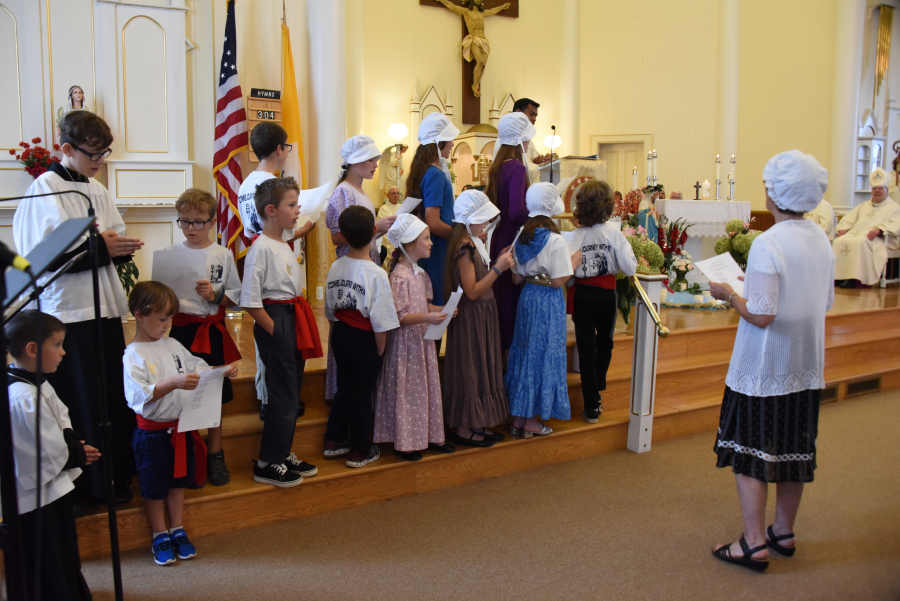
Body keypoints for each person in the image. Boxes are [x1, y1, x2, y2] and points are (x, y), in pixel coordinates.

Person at [708, 150, 833, 572]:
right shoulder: (820, 239)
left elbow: (761, 314)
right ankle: (783, 530)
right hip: (806, 363)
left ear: (775, 193)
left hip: (764, 369)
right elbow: (823, 300)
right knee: (794, 451)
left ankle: (754, 542)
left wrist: (729, 293)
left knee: (753, 454)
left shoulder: (768, 242)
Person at [14, 111, 143, 504]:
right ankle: (86, 487)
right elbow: (41, 258)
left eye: (105, 153)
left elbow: (110, 239)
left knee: (110, 394)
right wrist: (100, 248)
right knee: (81, 398)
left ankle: (117, 476)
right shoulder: (45, 190)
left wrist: (118, 250)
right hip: (67, 313)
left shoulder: (96, 188)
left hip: (102, 307)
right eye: (94, 153)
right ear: (66, 148)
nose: (100, 161)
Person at [124, 282, 239, 565]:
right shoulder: (133, 354)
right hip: (151, 435)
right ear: (139, 314)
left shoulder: (174, 344)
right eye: (161, 319)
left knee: (178, 484)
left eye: (170, 319)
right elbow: (137, 396)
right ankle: (159, 535)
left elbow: (196, 368)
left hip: (180, 428)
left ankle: (177, 528)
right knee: (154, 488)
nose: (167, 325)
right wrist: (173, 382)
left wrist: (219, 371)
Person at [6, 310, 98, 599]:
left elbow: (61, 417)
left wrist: (71, 441)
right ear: (32, 349)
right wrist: (76, 454)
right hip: (35, 498)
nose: (63, 352)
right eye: (57, 344)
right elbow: (41, 450)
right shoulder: (22, 397)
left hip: (52, 491)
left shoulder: (37, 381)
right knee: (47, 556)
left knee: (63, 549)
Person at [241, 177, 322, 488]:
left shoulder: (284, 242)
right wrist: (277, 331)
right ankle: (266, 462)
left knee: (292, 393)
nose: (297, 209)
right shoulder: (260, 249)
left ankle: (282, 451)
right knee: (282, 397)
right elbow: (250, 301)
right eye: (291, 204)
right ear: (271, 210)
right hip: (276, 319)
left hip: (292, 316)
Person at [161, 189, 242, 487]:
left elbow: (237, 297)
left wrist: (215, 295)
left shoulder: (222, 254)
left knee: (214, 393)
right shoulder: (170, 255)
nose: (190, 228)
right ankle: (187, 448)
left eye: (197, 222)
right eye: (184, 222)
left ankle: (215, 451)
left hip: (212, 331)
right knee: (185, 390)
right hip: (181, 332)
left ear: (211, 222)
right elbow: (159, 298)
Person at [237, 123, 316, 418]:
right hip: (271, 264)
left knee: (271, 354)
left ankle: (276, 399)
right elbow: (270, 233)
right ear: (279, 148)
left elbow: (254, 229)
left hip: (265, 252)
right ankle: (271, 402)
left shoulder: (247, 183)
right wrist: (302, 230)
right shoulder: (270, 184)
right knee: (272, 352)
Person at [323, 206, 400, 468]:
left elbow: (328, 307)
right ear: (375, 232)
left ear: (342, 235)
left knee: (344, 387)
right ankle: (359, 449)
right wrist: (380, 350)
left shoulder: (336, 265)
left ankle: (334, 439)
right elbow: (382, 320)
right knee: (361, 394)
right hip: (365, 338)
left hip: (341, 334)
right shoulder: (376, 273)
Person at [374, 214, 456, 460]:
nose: (431, 243)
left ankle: (427, 435)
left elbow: (425, 305)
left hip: (421, 341)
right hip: (406, 345)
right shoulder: (400, 276)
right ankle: (406, 440)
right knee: (408, 390)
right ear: (409, 244)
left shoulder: (420, 274)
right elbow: (399, 316)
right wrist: (427, 318)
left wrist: (442, 311)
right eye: (427, 238)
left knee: (424, 387)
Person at [324, 135, 396, 404]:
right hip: (353, 267)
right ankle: (343, 391)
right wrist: (376, 228)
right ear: (354, 163)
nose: (376, 163)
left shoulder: (360, 191)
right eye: (370, 159)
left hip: (366, 260)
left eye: (376, 158)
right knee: (353, 324)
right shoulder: (343, 192)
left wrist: (378, 228)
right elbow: (338, 235)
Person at [506, 183, 579, 438]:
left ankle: (518, 416)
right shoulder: (556, 240)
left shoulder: (521, 235)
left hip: (527, 298)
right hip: (548, 301)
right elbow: (559, 281)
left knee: (526, 353)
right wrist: (574, 261)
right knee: (544, 354)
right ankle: (532, 420)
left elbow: (516, 278)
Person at [443, 191, 514, 447]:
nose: (485, 225)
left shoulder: (473, 241)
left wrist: (497, 261)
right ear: (469, 219)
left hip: (482, 316)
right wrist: (499, 269)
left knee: (481, 365)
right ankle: (464, 428)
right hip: (472, 317)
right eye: (482, 220)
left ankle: (476, 422)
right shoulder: (464, 247)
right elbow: (472, 291)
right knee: (470, 369)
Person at [571, 180, 637, 423]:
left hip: (583, 295)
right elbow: (630, 266)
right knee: (605, 344)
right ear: (608, 208)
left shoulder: (575, 235)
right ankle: (596, 391)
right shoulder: (613, 233)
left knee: (586, 349)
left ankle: (591, 404)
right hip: (606, 295)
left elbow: (568, 273)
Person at [485, 111, 536, 351]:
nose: (529, 144)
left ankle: (499, 353)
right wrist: (538, 214)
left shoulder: (498, 166)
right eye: (527, 139)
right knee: (511, 298)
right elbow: (517, 211)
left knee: (501, 296)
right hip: (513, 237)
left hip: (499, 234)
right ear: (519, 140)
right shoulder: (517, 168)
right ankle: (509, 357)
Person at [407, 112, 459, 308]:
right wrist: (459, 235)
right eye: (449, 140)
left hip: (436, 244)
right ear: (439, 143)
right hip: (439, 246)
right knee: (438, 303)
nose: (452, 144)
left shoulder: (431, 171)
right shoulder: (435, 174)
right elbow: (433, 221)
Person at [833, 168, 900, 288]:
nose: (877, 191)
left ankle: (856, 279)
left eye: (880, 188)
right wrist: (843, 228)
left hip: (878, 238)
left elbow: (896, 223)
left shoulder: (894, 207)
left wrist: (880, 229)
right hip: (858, 233)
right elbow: (849, 218)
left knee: (861, 242)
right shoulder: (863, 205)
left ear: (887, 190)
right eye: (875, 188)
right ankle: (838, 277)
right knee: (839, 241)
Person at [512, 97, 552, 183]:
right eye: (531, 114)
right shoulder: (511, 136)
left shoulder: (526, 136)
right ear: (518, 113)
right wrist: (538, 164)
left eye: (535, 115)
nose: (534, 119)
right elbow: (520, 168)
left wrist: (544, 160)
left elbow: (535, 158)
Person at [378, 186, 403, 265]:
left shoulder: (403, 207)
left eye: (397, 193)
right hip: (389, 240)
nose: (396, 195)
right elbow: (381, 226)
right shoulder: (383, 209)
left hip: (401, 239)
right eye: (393, 193)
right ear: (388, 196)